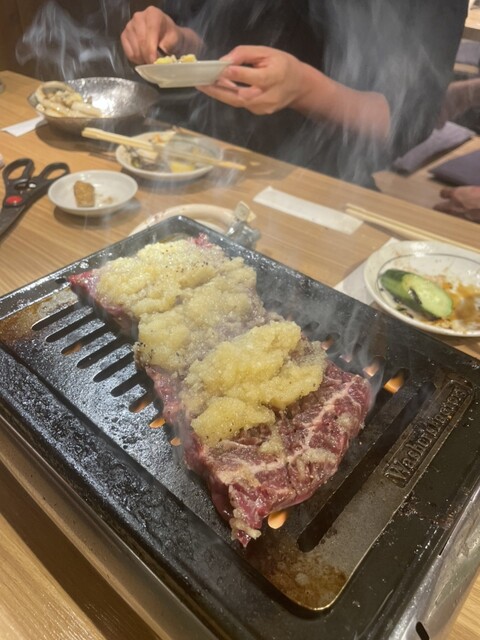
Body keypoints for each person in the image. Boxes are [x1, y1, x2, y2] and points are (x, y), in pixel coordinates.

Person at [121, 1, 469, 187]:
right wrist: (179, 42)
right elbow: (214, 38)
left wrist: (305, 89)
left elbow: (406, 121)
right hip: (209, 159)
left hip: (320, 181)